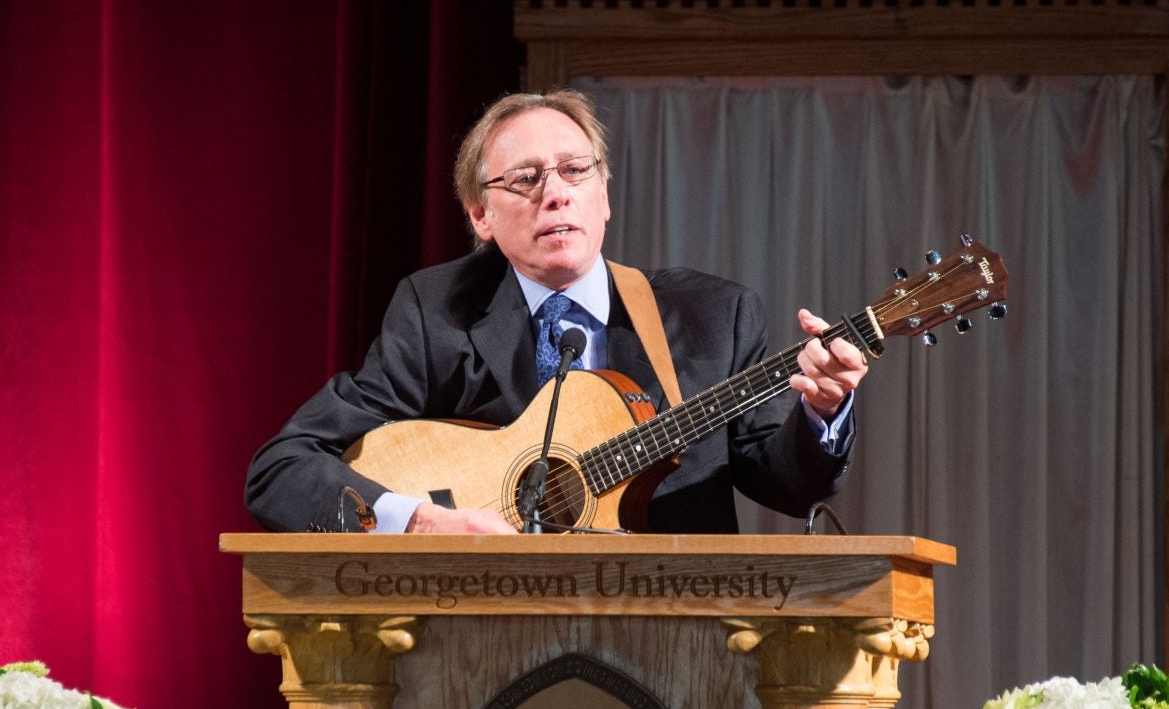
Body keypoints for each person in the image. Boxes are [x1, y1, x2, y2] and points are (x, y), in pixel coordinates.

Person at [244, 90, 867, 534]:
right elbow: (281, 470)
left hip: (677, 630)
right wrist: (418, 522)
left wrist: (823, 412)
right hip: (480, 641)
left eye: (575, 170)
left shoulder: (714, 315)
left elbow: (790, 486)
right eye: (525, 178)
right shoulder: (437, 313)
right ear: (480, 215)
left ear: (604, 197)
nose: (556, 192)